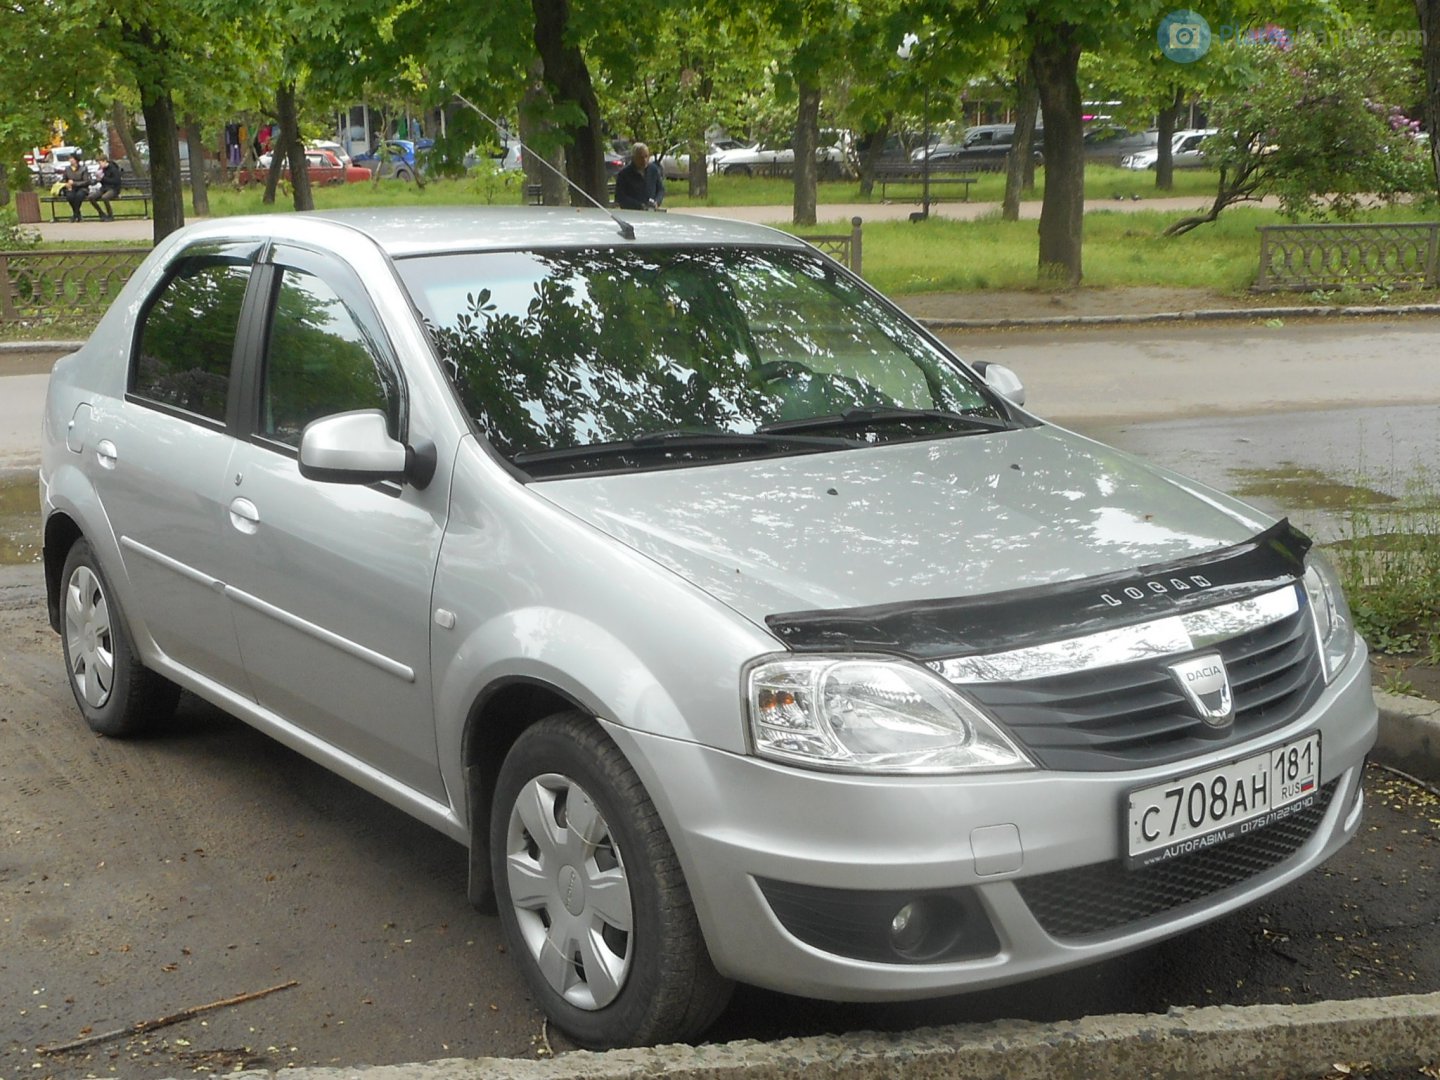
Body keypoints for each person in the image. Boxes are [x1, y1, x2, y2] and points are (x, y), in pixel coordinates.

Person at [615, 142, 664, 210]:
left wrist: (656, 202)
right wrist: (640, 206)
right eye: (641, 157)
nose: (644, 160)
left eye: (646, 156)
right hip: (633, 213)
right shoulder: (624, 174)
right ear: (634, 157)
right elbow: (620, 197)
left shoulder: (653, 170)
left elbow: (660, 190)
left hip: (651, 212)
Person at [88, 154, 122, 220]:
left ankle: (110, 215)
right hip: (104, 188)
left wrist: (103, 178)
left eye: (100, 163)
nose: (99, 165)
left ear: (105, 161)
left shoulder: (113, 169)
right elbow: (103, 181)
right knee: (91, 197)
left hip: (113, 189)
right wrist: (97, 180)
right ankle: (101, 213)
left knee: (104, 197)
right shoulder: (102, 169)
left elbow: (116, 181)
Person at [59, 157, 90, 222]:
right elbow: (64, 179)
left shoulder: (83, 169)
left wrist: (74, 183)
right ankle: (78, 214)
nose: (70, 160)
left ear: (76, 160)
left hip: (82, 188)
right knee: (70, 196)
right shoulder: (67, 169)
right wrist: (66, 184)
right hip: (71, 188)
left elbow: (86, 181)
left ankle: (75, 215)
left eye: (72, 158)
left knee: (79, 196)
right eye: (69, 158)